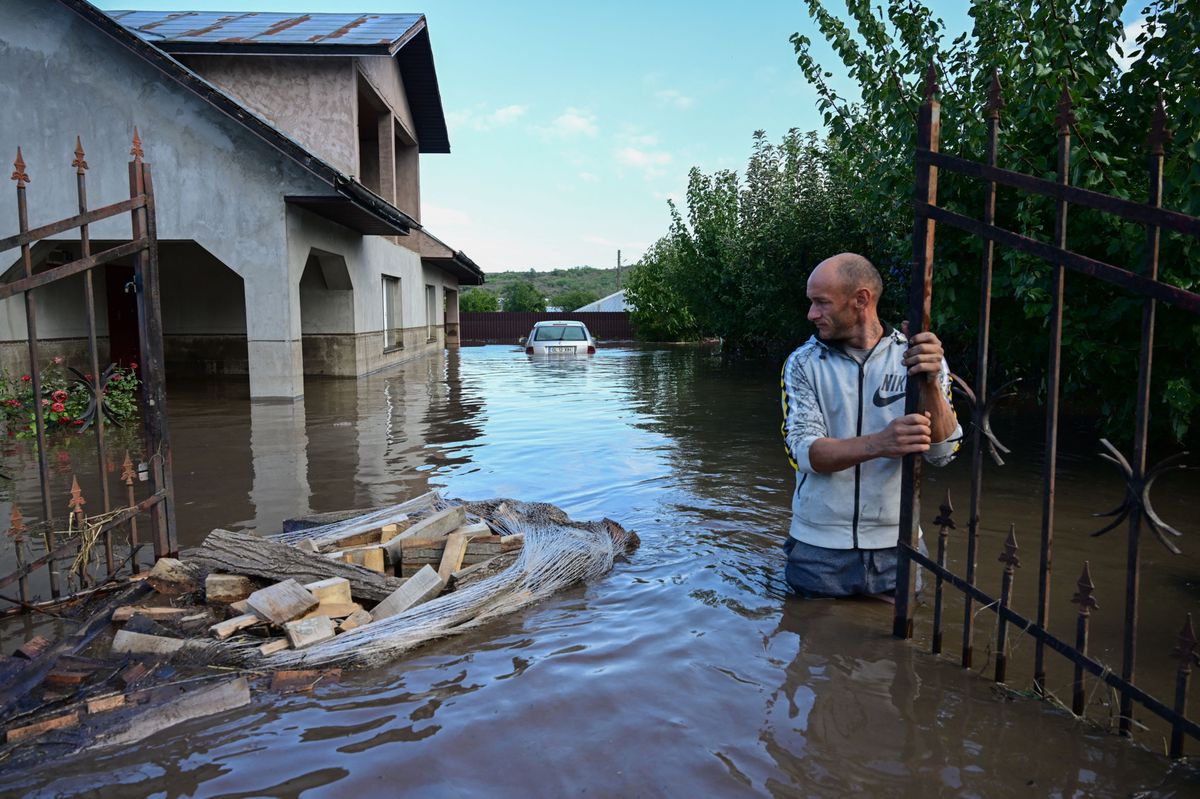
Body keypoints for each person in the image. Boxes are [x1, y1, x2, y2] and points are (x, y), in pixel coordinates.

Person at [780, 253, 961, 598]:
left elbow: (944, 452)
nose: (811, 314)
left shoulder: (917, 355)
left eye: (821, 303)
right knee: (814, 649)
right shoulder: (803, 363)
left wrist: (929, 383)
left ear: (861, 300)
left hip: (899, 546)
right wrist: (880, 442)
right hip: (818, 551)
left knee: (897, 649)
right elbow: (802, 452)